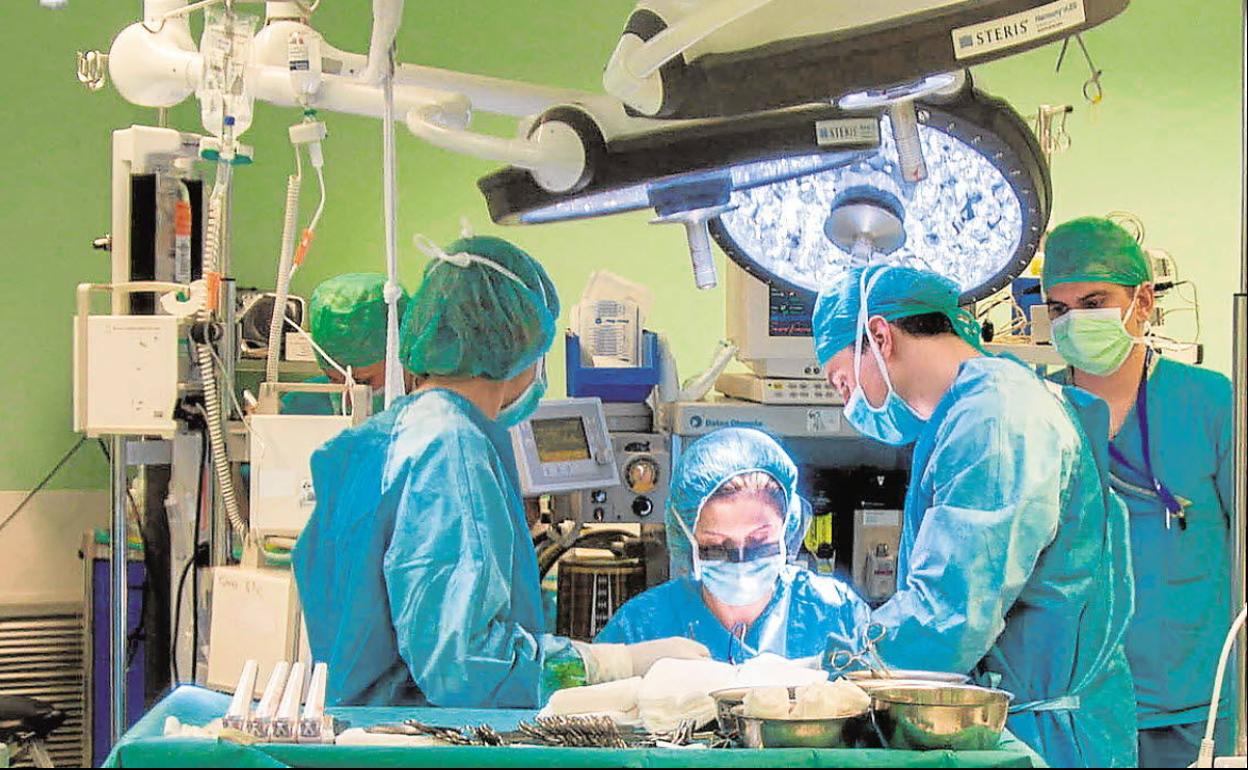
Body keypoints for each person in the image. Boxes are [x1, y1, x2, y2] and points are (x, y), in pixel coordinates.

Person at [292, 235, 706, 708]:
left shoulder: (381, 442)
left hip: (367, 736)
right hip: (421, 744)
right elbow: (464, 665)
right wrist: (612, 666)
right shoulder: (451, 450)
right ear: (518, 344)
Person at [811, 264, 1137, 767]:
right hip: (1029, 724)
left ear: (879, 335)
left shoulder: (996, 417)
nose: (850, 404)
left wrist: (826, 678)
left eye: (841, 383)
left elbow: (951, 614)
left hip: (1041, 743)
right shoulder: (984, 403)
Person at [1043, 216, 1236, 766]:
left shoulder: (1210, 403)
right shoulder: (1037, 409)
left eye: (1094, 301)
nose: (1075, 321)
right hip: (1072, 705)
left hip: (1193, 705)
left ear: (1144, 301)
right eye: (1060, 309)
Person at [597, 427, 868, 663]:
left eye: (759, 542)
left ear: (788, 527)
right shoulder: (643, 626)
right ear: (687, 539)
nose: (741, 561)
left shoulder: (835, 613)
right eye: (717, 546)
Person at [281, 272, 408, 416]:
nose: (348, 400)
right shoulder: (300, 405)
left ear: (402, 356)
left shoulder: (430, 415)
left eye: (362, 382)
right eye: (334, 379)